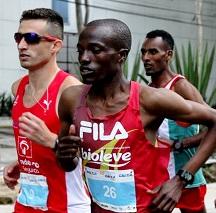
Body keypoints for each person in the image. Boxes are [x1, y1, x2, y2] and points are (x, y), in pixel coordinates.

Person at [55, 18, 216, 213]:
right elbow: (67, 164)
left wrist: (182, 179)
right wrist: (64, 155)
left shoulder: (150, 99)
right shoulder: (71, 99)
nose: (84, 58)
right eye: (80, 51)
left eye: (95, 50)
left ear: (121, 56)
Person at [2, 8, 90, 213]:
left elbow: (89, 155)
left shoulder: (71, 91)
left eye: (32, 38)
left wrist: (51, 141)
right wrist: (22, 161)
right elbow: (37, 143)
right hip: (28, 202)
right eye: (19, 37)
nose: (22, 45)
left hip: (66, 204)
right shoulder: (18, 88)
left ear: (55, 45)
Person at [141, 29, 207, 213]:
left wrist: (180, 144)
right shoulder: (147, 91)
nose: (146, 57)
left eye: (153, 52)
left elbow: (214, 126)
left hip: (186, 179)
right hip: (156, 179)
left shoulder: (180, 86)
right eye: (143, 52)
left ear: (168, 55)